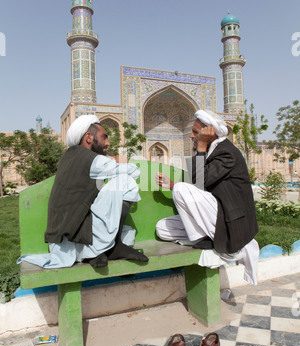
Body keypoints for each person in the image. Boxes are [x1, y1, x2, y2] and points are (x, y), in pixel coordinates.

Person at [18, 114, 148, 269]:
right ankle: (115, 246)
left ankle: (96, 252)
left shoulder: (71, 156)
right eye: (104, 137)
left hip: (67, 240)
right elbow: (134, 172)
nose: (108, 142)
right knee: (125, 181)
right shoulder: (92, 159)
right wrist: (117, 160)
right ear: (88, 137)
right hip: (78, 237)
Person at [155, 110, 259, 285]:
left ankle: (206, 241)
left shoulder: (227, 153)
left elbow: (198, 183)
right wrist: (172, 185)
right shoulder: (213, 152)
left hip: (231, 223)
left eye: (196, 132)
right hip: (217, 217)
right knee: (162, 229)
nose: (191, 136)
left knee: (182, 188)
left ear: (209, 133)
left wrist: (201, 146)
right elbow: (202, 186)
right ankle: (207, 239)